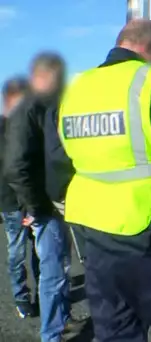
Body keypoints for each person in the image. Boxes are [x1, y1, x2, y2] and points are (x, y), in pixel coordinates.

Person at [44, 19, 151, 341]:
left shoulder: (72, 91)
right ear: (150, 49)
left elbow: (56, 168)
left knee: (115, 335)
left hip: (96, 241)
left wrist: (77, 216)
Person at [3, 53, 83, 342]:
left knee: (59, 268)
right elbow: (16, 167)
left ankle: (61, 321)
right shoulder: (30, 109)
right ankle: (52, 335)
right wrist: (35, 206)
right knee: (52, 273)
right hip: (44, 207)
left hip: (54, 204)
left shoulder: (46, 107)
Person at [1, 76, 40, 319]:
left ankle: (43, 295)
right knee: (16, 253)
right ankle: (21, 297)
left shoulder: (30, 127)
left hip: (32, 200)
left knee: (40, 252)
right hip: (11, 202)